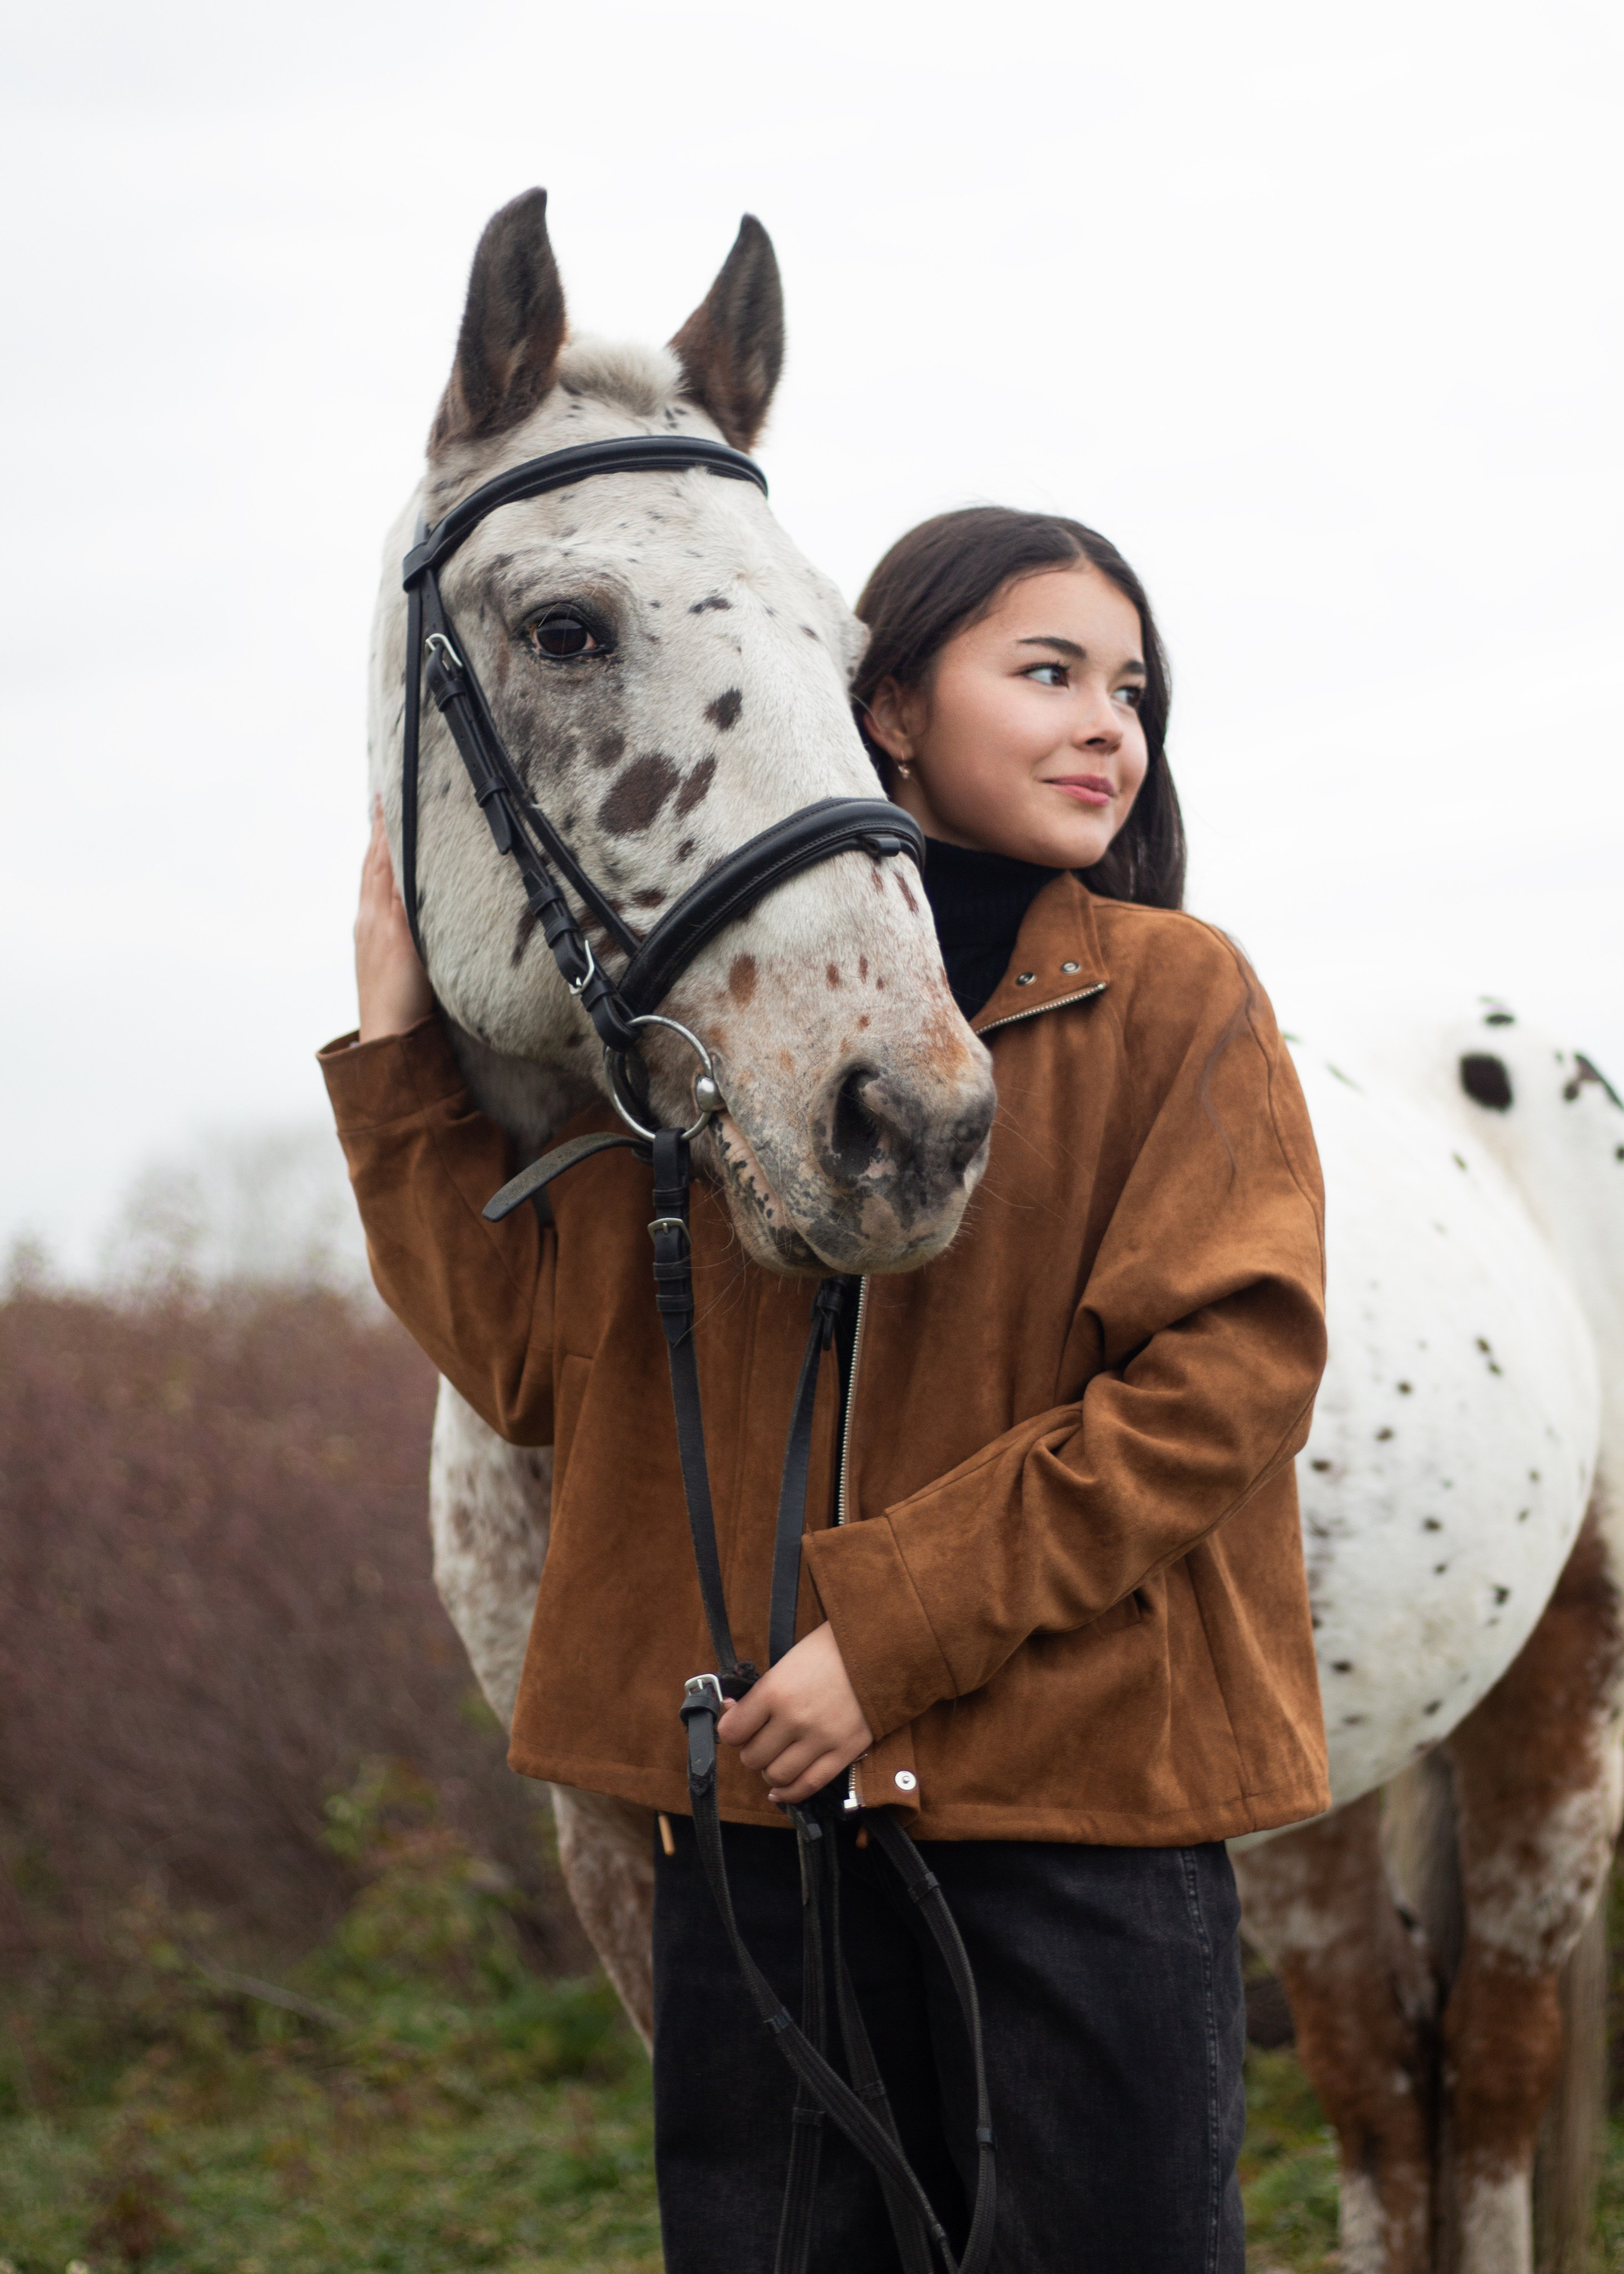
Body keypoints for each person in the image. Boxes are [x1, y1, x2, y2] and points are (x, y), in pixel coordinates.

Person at [324, 504, 1330, 2273]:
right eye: (1049, 673)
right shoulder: (709, 1020)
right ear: (883, 707)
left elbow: (1224, 1383)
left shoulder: (1178, 997)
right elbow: (526, 1369)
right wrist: (400, 1060)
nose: (1113, 724)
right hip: (762, 1852)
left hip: (1078, 1826)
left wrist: (892, 1638)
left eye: (1133, 688)